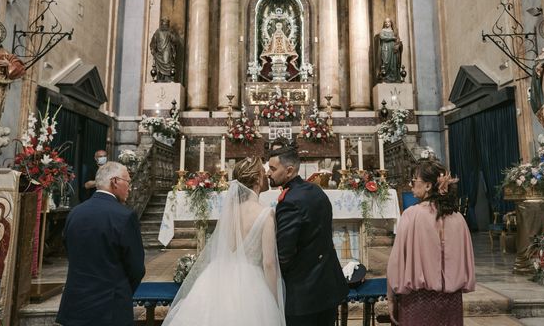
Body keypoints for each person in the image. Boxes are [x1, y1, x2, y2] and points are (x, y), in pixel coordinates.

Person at [163, 157, 284, 326]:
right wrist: (275, 302)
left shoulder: (230, 212)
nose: (267, 176)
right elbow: (269, 263)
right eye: (264, 172)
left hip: (217, 278)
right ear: (257, 178)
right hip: (251, 284)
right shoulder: (265, 213)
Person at [267, 138, 347, 326]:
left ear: (289, 171)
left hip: (303, 294)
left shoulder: (289, 202)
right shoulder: (316, 191)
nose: (268, 173)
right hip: (327, 287)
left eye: (272, 169)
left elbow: (284, 254)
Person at [386, 160, 475, 326]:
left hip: (418, 301)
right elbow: (467, 260)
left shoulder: (411, 215)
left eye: (414, 181)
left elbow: (397, 260)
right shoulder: (458, 218)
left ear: (428, 186)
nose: (411, 185)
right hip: (451, 301)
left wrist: (391, 298)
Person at [57, 162, 145, 326]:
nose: (130, 188)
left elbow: (71, 253)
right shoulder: (125, 217)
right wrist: (121, 291)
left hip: (75, 306)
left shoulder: (75, 213)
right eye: (128, 182)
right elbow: (137, 268)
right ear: (115, 182)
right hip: (110, 309)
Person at [374, 18, 403, 83]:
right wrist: (392, 38)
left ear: (391, 23)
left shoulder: (394, 31)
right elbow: (382, 37)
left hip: (393, 49)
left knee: (393, 62)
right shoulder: (383, 30)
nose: (387, 23)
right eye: (386, 22)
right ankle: (385, 77)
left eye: (388, 22)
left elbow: (398, 39)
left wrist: (398, 44)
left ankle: (394, 77)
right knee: (386, 61)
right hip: (385, 48)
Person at [150, 17, 177, 83]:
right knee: (166, 65)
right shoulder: (168, 31)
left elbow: (152, 43)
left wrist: (153, 50)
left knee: (166, 65)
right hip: (165, 53)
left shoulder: (158, 31)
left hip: (163, 53)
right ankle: (164, 78)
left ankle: (164, 78)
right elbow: (175, 40)